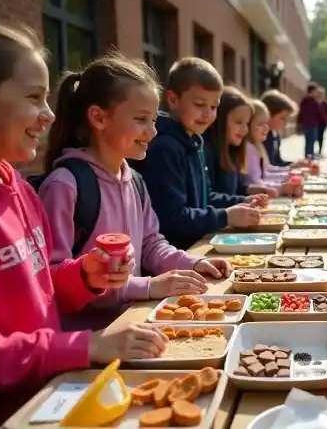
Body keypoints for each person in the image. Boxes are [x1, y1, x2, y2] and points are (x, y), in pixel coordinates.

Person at [0, 17, 166, 429]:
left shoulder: (20, 190)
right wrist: (82, 346)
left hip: (44, 403)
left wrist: (84, 275)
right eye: (33, 98)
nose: (48, 115)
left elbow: (42, 288)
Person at [39, 54, 232, 332]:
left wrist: (194, 262)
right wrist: (149, 286)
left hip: (132, 326)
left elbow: (152, 244)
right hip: (87, 344)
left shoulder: (136, 180)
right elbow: (52, 280)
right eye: (141, 119)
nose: (152, 132)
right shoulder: (64, 186)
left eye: (154, 120)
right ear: (98, 117)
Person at [130, 57, 265, 250]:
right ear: (173, 100)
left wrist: (242, 201)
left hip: (199, 244)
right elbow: (173, 218)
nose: (208, 115)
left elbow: (204, 197)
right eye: (200, 104)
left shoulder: (193, 141)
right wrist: (226, 216)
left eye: (213, 107)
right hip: (178, 254)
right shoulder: (165, 148)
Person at [203, 86, 277, 198]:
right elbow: (208, 199)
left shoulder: (232, 151)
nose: (245, 130)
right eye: (238, 122)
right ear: (219, 120)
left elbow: (237, 189)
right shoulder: (207, 152)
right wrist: (243, 201)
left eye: (247, 123)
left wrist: (254, 190)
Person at [244, 99, 302, 197]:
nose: (267, 128)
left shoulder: (257, 145)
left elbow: (267, 170)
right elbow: (256, 182)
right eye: (260, 124)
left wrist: (289, 173)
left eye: (266, 123)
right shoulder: (248, 148)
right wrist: (282, 187)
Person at [261, 89, 297, 167]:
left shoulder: (275, 135)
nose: (286, 123)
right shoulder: (260, 138)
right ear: (268, 115)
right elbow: (267, 169)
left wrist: (295, 165)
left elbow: (278, 162)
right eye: (282, 118)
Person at [296, 82, 324, 158]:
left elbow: (300, 113)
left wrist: (299, 123)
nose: (316, 93)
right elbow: (320, 114)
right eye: (315, 91)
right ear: (312, 91)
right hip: (312, 125)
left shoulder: (304, 101)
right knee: (311, 142)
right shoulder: (314, 102)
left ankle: (307, 157)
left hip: (306, 124)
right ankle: (310, 158)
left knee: (308, 142)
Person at [317, 87, 327, 156]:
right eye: (319, 93)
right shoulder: (315, 102)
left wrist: (326, 120)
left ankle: (320, 150)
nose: (320, 95)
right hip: (315, 122)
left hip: (322, 122)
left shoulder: (325, 103)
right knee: (315, 136)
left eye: (321, 94)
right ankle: (314, 150)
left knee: (320, 136)